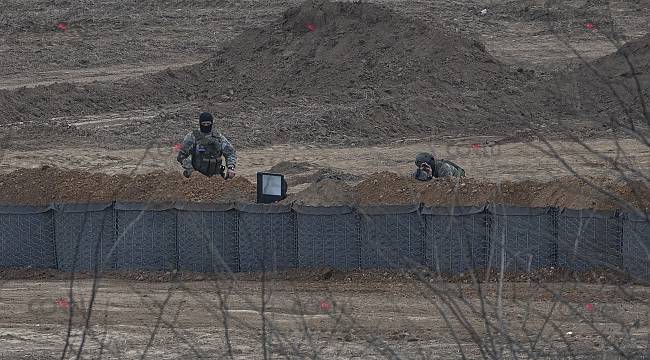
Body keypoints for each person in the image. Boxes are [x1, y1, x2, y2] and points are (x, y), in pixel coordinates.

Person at [177, 112, 237, 179]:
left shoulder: (218, 137)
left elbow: (230, 153)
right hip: (197, 177)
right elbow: (181, 156)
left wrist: (231, 167)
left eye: (208, 124)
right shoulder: (192, 137)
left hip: (216, 177)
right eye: (203, 124)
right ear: (200, 123)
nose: (206, 126)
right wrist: (192, 171)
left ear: (212, 123)